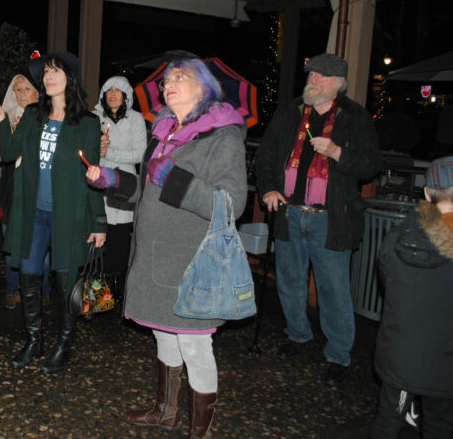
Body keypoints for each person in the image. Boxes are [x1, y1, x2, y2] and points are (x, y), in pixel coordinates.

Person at [87, 58, 247, 438]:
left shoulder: (222, 137)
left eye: (180, 77)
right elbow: (146, 188)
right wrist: (111, 179)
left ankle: (199, 429)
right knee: (164, 334)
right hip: (155, 255)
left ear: (204, 88)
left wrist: (177, 180)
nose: (167, 84)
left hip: (191, 260)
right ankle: (166, 411)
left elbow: (232, 203)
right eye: (166, 79)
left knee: (194, 346)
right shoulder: (163, 132)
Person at [254, 53, 382, 385]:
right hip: (289, 213)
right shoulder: (290, 113)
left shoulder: (355, 118)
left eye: (320, 76)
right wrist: (268, 190)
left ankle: (338, 354)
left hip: (331, 219)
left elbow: (370, 165)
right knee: (290, 282)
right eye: (310, 74)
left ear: (338, 83)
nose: (312, 80)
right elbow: (265, 156)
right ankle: (297, 335)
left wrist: (339, 153)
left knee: (333, 290)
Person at [0, 51, 106, 374]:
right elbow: (9, 153)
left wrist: (99, 221)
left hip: (70, 216)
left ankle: (64, 344)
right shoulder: (30, 116)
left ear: (70, 77)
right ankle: (34, 339)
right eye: (46, 73)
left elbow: (94, 174)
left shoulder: (88, 123)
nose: (49, 77)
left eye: (56, 71)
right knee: (28, 273)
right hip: (33, 212)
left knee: (66, 282)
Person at [370, 156, 453, 438]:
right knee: (440, 426)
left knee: (387, 421)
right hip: (446, 361)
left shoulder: (398, 234)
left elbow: (388, 282)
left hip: (400, 354)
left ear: (427, 192)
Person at [0, 74, 51, 310]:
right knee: (11, 242)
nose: (21, 94)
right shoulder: (4, 117)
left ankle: (43, 291)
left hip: (36, 190)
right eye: (17, 90)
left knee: (40, 245)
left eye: (26, 89)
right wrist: (8, 145)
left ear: (38, 93)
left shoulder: (46, 119)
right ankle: (13, 288)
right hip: (11, 189)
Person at [91, 75, 147, 298]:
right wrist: (97, 149)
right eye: (108, 90)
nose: (113, 94)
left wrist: (110, 153)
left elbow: (141, 154)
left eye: (118, 90)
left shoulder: (136, 119)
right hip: (99, 183)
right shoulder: (94, 117)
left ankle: (119, 292)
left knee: (120, 240)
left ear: (126, 95)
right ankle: (95, 290)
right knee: (97, 236)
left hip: (125, 185)